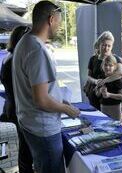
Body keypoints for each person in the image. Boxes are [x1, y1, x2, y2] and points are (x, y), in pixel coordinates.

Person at [12, 1, 80, 173]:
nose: (59, 26)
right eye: (58, 21)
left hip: (30, 122)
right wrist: (67, 109)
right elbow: (41, 100)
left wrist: (59, 97)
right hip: (43, 128)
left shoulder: (24, 41)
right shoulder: (37, 50)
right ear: (51, 20)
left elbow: (39, 88)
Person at [0, 26, 34, 173]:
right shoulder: (14, 60)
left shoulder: (10, 56)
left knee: (24, 144)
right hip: (18, 108)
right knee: (26, 147)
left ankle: (25, 169)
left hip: (12, 105)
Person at [84, 31, 122, 111]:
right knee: (96, 117)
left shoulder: (114, 58)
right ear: (99, 44)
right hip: (95, 93)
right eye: (104, 45)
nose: (106, 48)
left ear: (112, 46)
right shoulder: (93, 59)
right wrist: (96, 81)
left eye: (109, 46)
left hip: (111, 96)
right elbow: (88, 77)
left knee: (114, 119)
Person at [95, 55, 122, 121]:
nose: (107, 67)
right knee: (105, 125)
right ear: (102, 66)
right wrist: (100, 91)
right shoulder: (100, 77)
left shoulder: (117, 80)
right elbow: (97, 94)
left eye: (110, 65)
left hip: (115, 107)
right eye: (105, 65)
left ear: (115, 67)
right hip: (103, 106)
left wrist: (109, 95)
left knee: (116, 126)